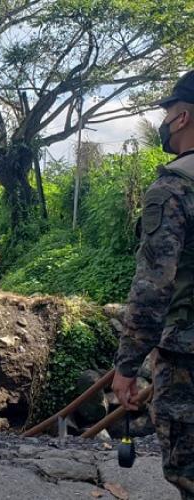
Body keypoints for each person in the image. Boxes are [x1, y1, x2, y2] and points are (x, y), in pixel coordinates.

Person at [113, 70, 194, 499]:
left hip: (186, 355)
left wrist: (127, 368)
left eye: (165, 114)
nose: (163, 123)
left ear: (181, 117)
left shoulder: (174, 187)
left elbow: (153, 287)